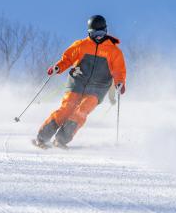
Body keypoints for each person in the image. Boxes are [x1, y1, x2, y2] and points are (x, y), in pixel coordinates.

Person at [33, 15, 126, 149]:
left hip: (98, 88)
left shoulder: (114, 51)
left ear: (106, 31)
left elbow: (119, 71)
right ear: (89, 32)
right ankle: (42, 138)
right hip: (77, 82)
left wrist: (120, 82)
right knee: (66, 109)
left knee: (81, 112)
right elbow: (67, 59)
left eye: (101, 33)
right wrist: (58, 67)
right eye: (95, 33)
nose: (99, 37)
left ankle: (61, 140)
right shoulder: (81, 45)